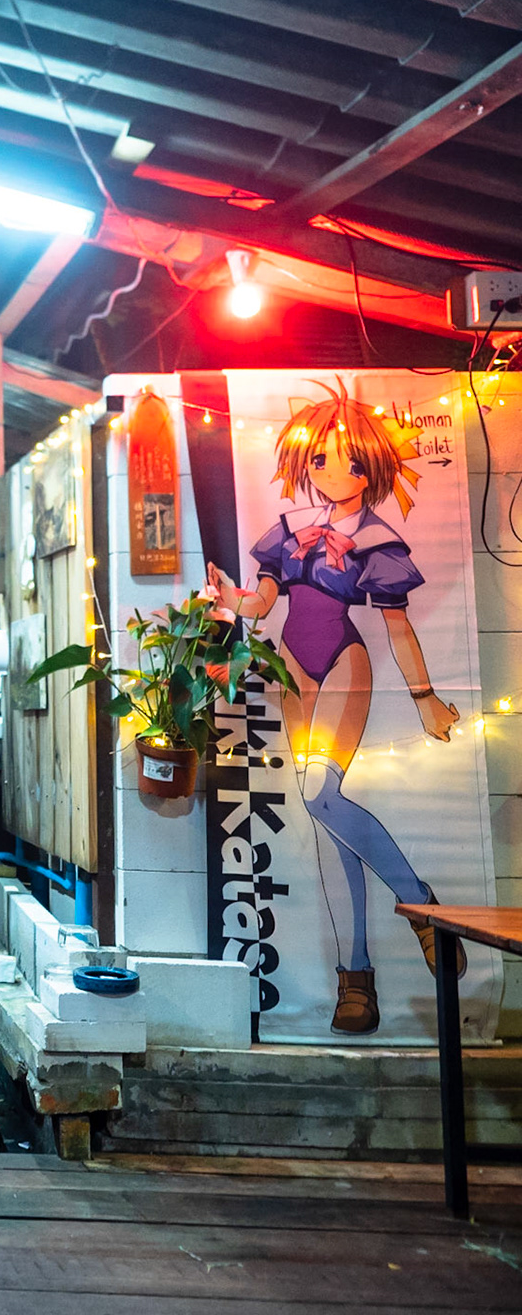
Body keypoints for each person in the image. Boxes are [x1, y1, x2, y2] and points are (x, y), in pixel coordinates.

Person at [209, 382, 460, 1036]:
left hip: (343, 665)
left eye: (348, 460)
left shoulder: (377, 538)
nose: (331, 472)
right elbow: (263, 604)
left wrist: (425, 698)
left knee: (323, 798)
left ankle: (420, 906)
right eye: (320, 459)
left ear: (371, 467)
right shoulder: (290, 529)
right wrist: (231, 599)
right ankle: (358, 976)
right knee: (327, 820)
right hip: (293, 671)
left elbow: (398, 627)